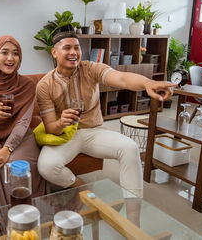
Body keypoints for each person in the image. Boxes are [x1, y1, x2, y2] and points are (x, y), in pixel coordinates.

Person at [36, 24, 176, 198]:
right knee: (46, 166)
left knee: (130, 148)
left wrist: (147, 83)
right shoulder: (44, 85)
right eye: (67, 48)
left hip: (94, 132)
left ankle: (133, 211)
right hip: (66, 135)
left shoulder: (90, 69)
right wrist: (60, 122)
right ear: (54, 52)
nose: (73, 52)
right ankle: (80, 186)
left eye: (77, 48)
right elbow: (50, 128)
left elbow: (122, 78)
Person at [0, 35, 48, 206]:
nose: (10, 58)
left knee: (16, 165)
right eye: (4, 52)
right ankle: (5, 212)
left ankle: (26, 210)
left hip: (21, 137)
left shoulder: (27, 85)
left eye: (15, 53)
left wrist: (8, 148)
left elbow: (23, 123)